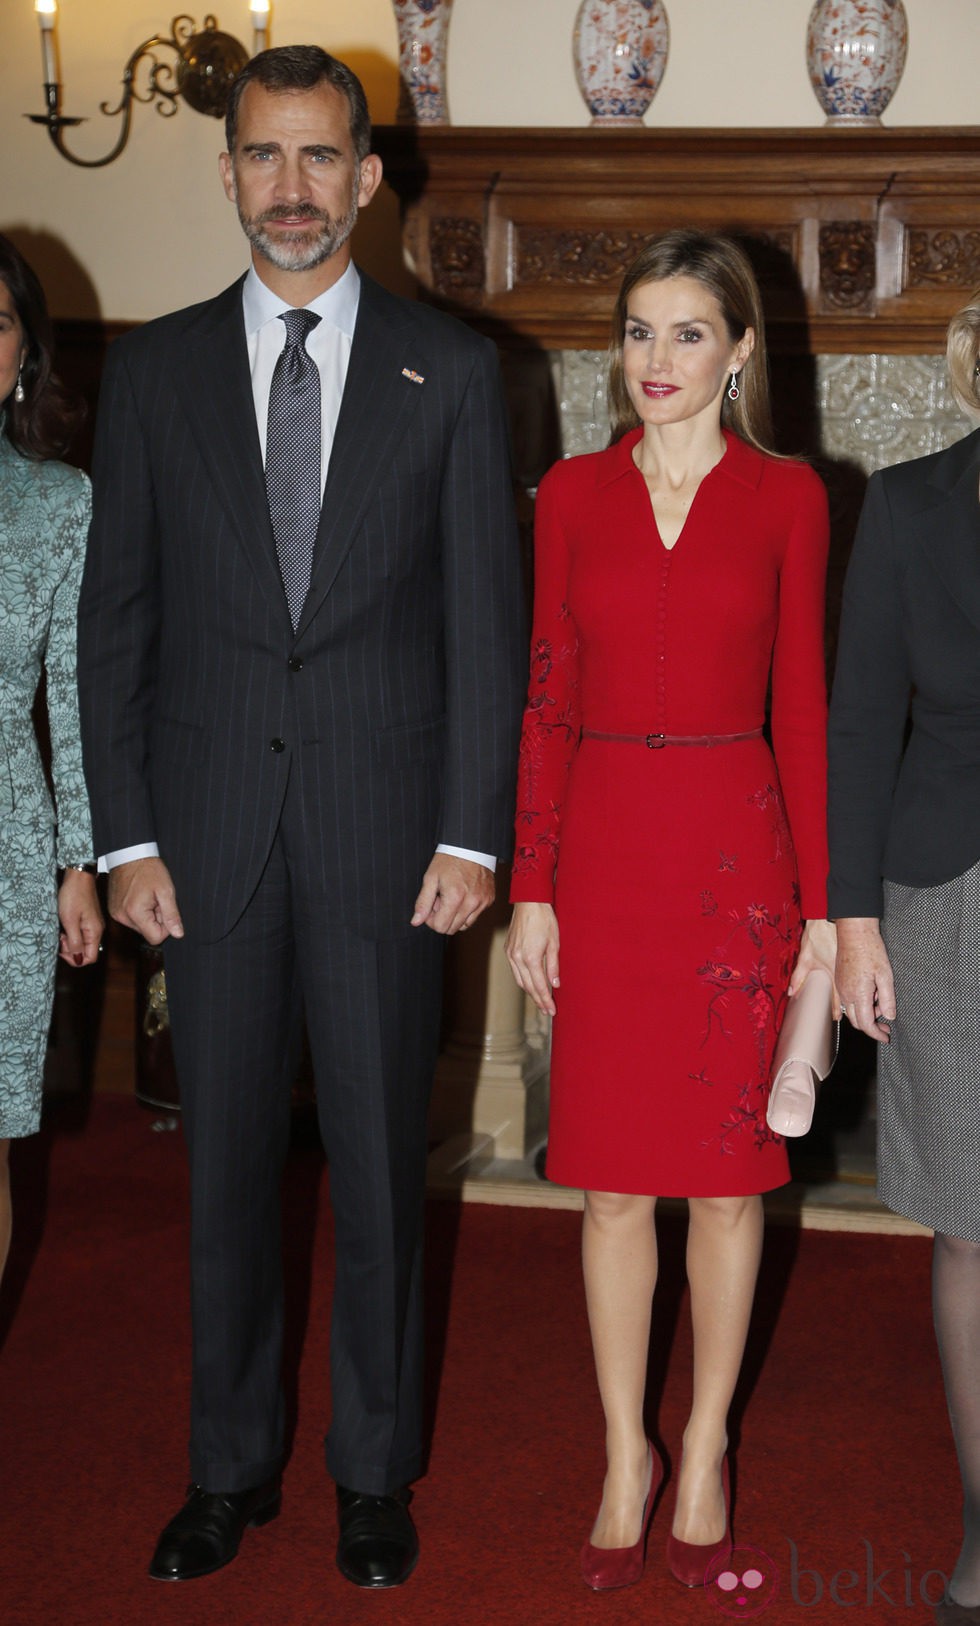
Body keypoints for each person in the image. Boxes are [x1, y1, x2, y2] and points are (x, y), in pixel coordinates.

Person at [77, 47, 525, 1589]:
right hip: (200, 850)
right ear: (226, 176)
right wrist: (123, 836)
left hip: (387, 845)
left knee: (387, 1175)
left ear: (367, 174)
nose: (290, 188)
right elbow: (113, 623)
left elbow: (487, 626)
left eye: (319, 157)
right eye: (262, 157)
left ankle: (374, 1470)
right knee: (219, 1187)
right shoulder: (149, 374)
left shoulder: (453, 374)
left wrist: (475, 834)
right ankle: (228, 1466)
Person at [506, 230, 837, 1591]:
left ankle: (702, 1441)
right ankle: (621, 1449)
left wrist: (824, 909)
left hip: (732, 866)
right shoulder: (572, 496)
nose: (658, 359)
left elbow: (806, 711)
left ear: (742, 350)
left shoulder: (789, 497)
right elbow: (545, 695)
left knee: (728, 1182)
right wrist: (531, 883)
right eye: (638, 331)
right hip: (605, 861)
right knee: (608, 1189)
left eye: (688, 331)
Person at [828, 291, 980, 1626]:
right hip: (949, 899)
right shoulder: (912, 506)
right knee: (976, 1222)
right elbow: (861, 718)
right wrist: (854, 923)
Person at [0, 235, 103, 1287]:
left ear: (24, 351)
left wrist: (80, 860)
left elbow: (72, 692)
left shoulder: (60, 503)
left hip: (5, 841)